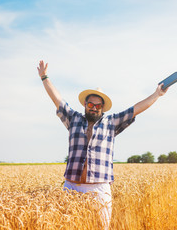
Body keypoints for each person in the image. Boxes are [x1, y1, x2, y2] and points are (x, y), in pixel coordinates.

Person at [37, 60, 168, 228]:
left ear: (103, 108)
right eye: (91, 104)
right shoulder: (73, 119)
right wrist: (44, 77)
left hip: (99, 189)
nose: (94, 108)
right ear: (85, 105)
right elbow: (57, 99)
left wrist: (157, 94)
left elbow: (136, 109)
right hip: (71, 186)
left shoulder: (111, 122)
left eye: (98, 106)